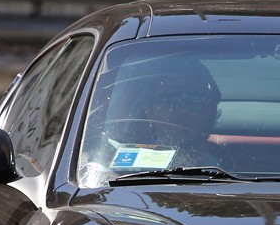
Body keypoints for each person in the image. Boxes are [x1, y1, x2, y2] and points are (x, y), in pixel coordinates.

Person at [93, 60, 223, 174]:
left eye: (196, 101)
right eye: (172, 101)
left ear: (212, 108)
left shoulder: (236, 171)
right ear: (148, 109)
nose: (184, 111)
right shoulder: (109, 169)